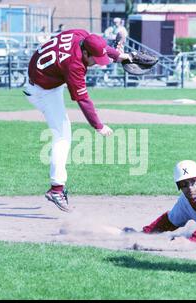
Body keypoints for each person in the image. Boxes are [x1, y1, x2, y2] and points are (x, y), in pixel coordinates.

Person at [25, 29, 132, 212]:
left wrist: (118, 55)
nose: (96, 63)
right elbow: (83, 100)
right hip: (41, 90)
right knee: (62, 135)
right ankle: (56, 189)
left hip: (48, 77)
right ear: (84, 52)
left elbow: (101, 47)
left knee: (63, 134)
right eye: (94, 59)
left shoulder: (81, 36)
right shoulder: (74, 64)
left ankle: (56, 189)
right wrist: (98, 125)